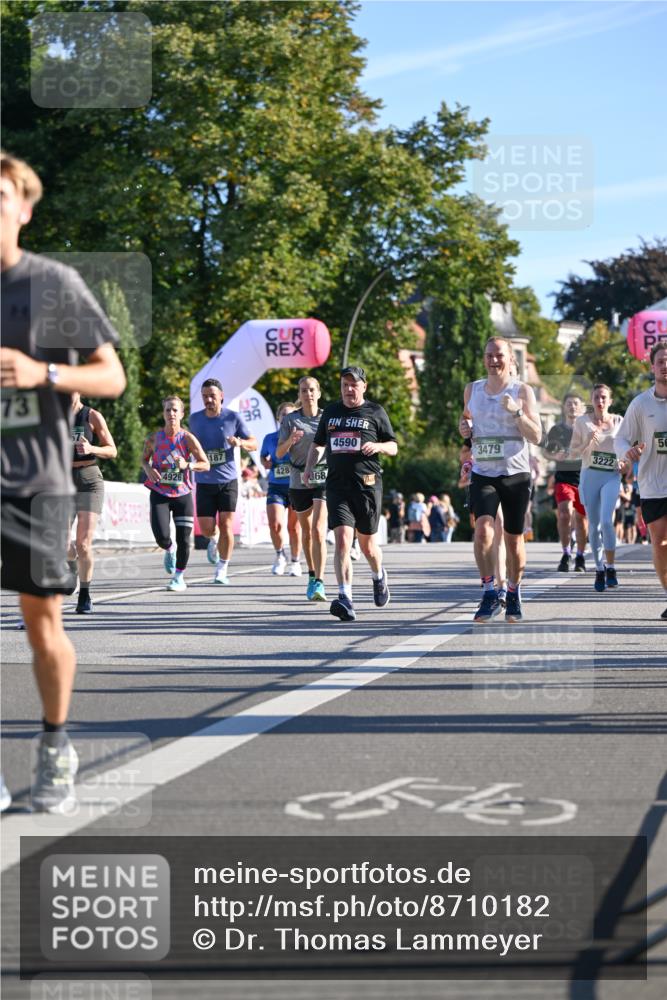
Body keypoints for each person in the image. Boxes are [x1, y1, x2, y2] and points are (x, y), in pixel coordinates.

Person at [0, 150, 126, 812]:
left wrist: (41, 372)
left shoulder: (52, 286)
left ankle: (55, 743)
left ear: (22, 208)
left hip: (38, 483)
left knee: (40, 622)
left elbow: (111, 376)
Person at [303, 365, 397, 622]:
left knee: (367, 545)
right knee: (343, 540)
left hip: (366, 485)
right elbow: (318, 444)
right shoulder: (331, 412)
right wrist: (309, 468)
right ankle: (345, 597)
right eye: (345, 385)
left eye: (353, 384)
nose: (348, 389)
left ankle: (379, 576)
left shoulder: (375, 411)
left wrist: (377, 445)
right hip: (336, 486)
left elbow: (393, 446)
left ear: (363, 386)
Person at [459, 337, 542, 623]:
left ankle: (514, 589)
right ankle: (488, 591)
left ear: (511, 359)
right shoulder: (473, 390)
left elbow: (537, 436)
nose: (494, 361)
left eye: (499, 356)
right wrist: (464, 428)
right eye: (489, 356)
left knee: (514, 541)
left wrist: (517, 412)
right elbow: (467, 425)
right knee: (483, 530)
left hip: (515, 474)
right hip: (484, 473)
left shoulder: (523, 391)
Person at [614, 343, 667, 619]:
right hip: (652, 484)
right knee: (659, 542)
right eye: (661, 362)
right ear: (652, 367)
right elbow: (621, 437)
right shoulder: (641, 403)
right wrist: (628, 451)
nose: (665, 366)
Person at [189, 378, 257, 585]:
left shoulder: (232, 418)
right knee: (207, 527)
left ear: (221, 396)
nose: (208, 400)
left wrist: (240, 442)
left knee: (226, 524)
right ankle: (213, 539)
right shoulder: (195, 419)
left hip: (228, 480)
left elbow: (254, 443)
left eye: (212, 396)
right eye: (205, 397)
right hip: (204, 481)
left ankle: (222, 568)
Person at [142, 396, 209, 592]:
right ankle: (168, 549)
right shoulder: (154, 438)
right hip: (159, 492)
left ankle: (179, 577)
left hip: (182, 494)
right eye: (167, 410)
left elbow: (206, 463)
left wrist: (188, 464)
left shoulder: (187, 438)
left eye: (174, 410)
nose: (171, 413)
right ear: (163, 414)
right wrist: (148, 469)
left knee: (184, 538)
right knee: (162, 537)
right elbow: (144, 460)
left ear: (181, 414)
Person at [276, 376, 328, 601]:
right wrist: (291, 441)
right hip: (298, 479)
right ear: (299, 394)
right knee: (306, 533)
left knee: (318, 530)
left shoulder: (328, 417)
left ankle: (320, 582)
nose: (308, 394)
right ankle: (311, 574)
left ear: (318, 393)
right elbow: (279, 453)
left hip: (323, 477)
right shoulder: (290, 420)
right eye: (304, 390)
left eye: (311, 390)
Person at [569, 384, 624, 592]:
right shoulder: (582, 422)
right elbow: (573, 453)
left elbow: (626, 448)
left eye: (603, 398)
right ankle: (599, 569)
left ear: (610, 401)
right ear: (591, 401)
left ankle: (611, 567)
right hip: (590, 475)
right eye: (596, 398)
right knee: (593, 525)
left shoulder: (619, 421)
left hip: (611, 476)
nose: (600, 402)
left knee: (606, 522)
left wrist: (623, 462)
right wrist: (586, 444)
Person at [67, 392, 117, 613]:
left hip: (89, 479)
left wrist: (92, 448)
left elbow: (112, 450)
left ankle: (85, 594)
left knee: (83, 544)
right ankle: (71, 569)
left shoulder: (92, 416)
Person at [543, 393, 589, 572]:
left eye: (576, 403)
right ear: (564, 407)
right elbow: (546, 452)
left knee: (581, 520)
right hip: (563, 478)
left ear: (582, 407)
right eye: (569, 403)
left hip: (584, 479)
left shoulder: (588, 428)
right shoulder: (557, 430)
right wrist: (554, 456)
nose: (572, 407)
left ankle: (580, 556)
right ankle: (565, 552)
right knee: (563, 514)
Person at [260, 401, 302, 576]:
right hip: (276, 486)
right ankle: (279, 556)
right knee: (275, 524)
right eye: (283, 414)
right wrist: (266, 462)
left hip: (296, 486)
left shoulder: (301, 437)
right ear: (278, 418)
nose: (286, 417)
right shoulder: (270, 438)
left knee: (294, 527)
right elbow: (263, 456)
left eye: (290, 414)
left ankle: (295, 561)